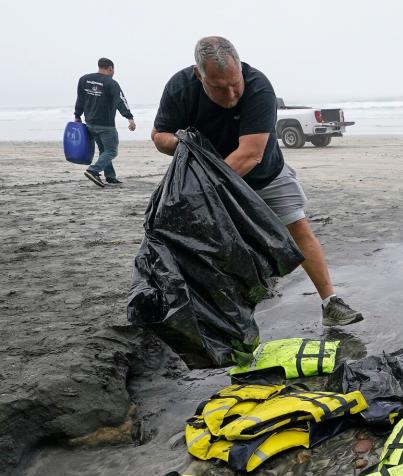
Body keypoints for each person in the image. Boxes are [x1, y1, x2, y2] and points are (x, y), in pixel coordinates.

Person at [150, 36, 362, 327]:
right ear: (199, 75)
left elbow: (250, 155)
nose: (232, 94)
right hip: (210, 180)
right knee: (215, 249)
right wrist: (180, 143)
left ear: (240, 68)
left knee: (299, 229)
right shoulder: (180, 88)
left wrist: (208, 195)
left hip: (264, 175)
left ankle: (330, 303)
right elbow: (159, 136)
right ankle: (219, 319)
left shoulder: (259, 86)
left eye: (235, 83)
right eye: (219, 87)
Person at [74, 58, 136, 187]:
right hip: (106, 125)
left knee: (104, 151)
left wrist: (77, 116)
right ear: (110, 68)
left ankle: (110, 177)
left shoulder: (84, 79)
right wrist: (129, 117)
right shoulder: (111, 83)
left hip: (90, 123)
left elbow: (80, 98)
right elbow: (120, 100)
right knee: (112, 151)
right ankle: (93, 170)